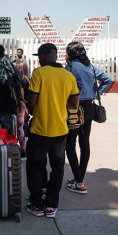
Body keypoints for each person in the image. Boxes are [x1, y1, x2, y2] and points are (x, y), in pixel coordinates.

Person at [26, 43, 79, 218]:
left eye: (39, 56)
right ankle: (51, 206)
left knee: (35, 165)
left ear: (43, 56)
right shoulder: (68, 75)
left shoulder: (39, 73)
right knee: (57, 168)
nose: (38, 59)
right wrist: (58, 103)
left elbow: (32, 102)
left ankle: (37, 204)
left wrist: (34, 108)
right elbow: (74, 104)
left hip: (40, 130)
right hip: (61, 131)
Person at [65, 42, 112, 194]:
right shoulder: (90, 67)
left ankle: (79, 182)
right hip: (90, 108)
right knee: (84, 143)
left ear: (71, 53)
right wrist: (96, 92)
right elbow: (108, 80)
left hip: (75, 109)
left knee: (70, 145)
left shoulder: (70, 68)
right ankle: (80, 178)